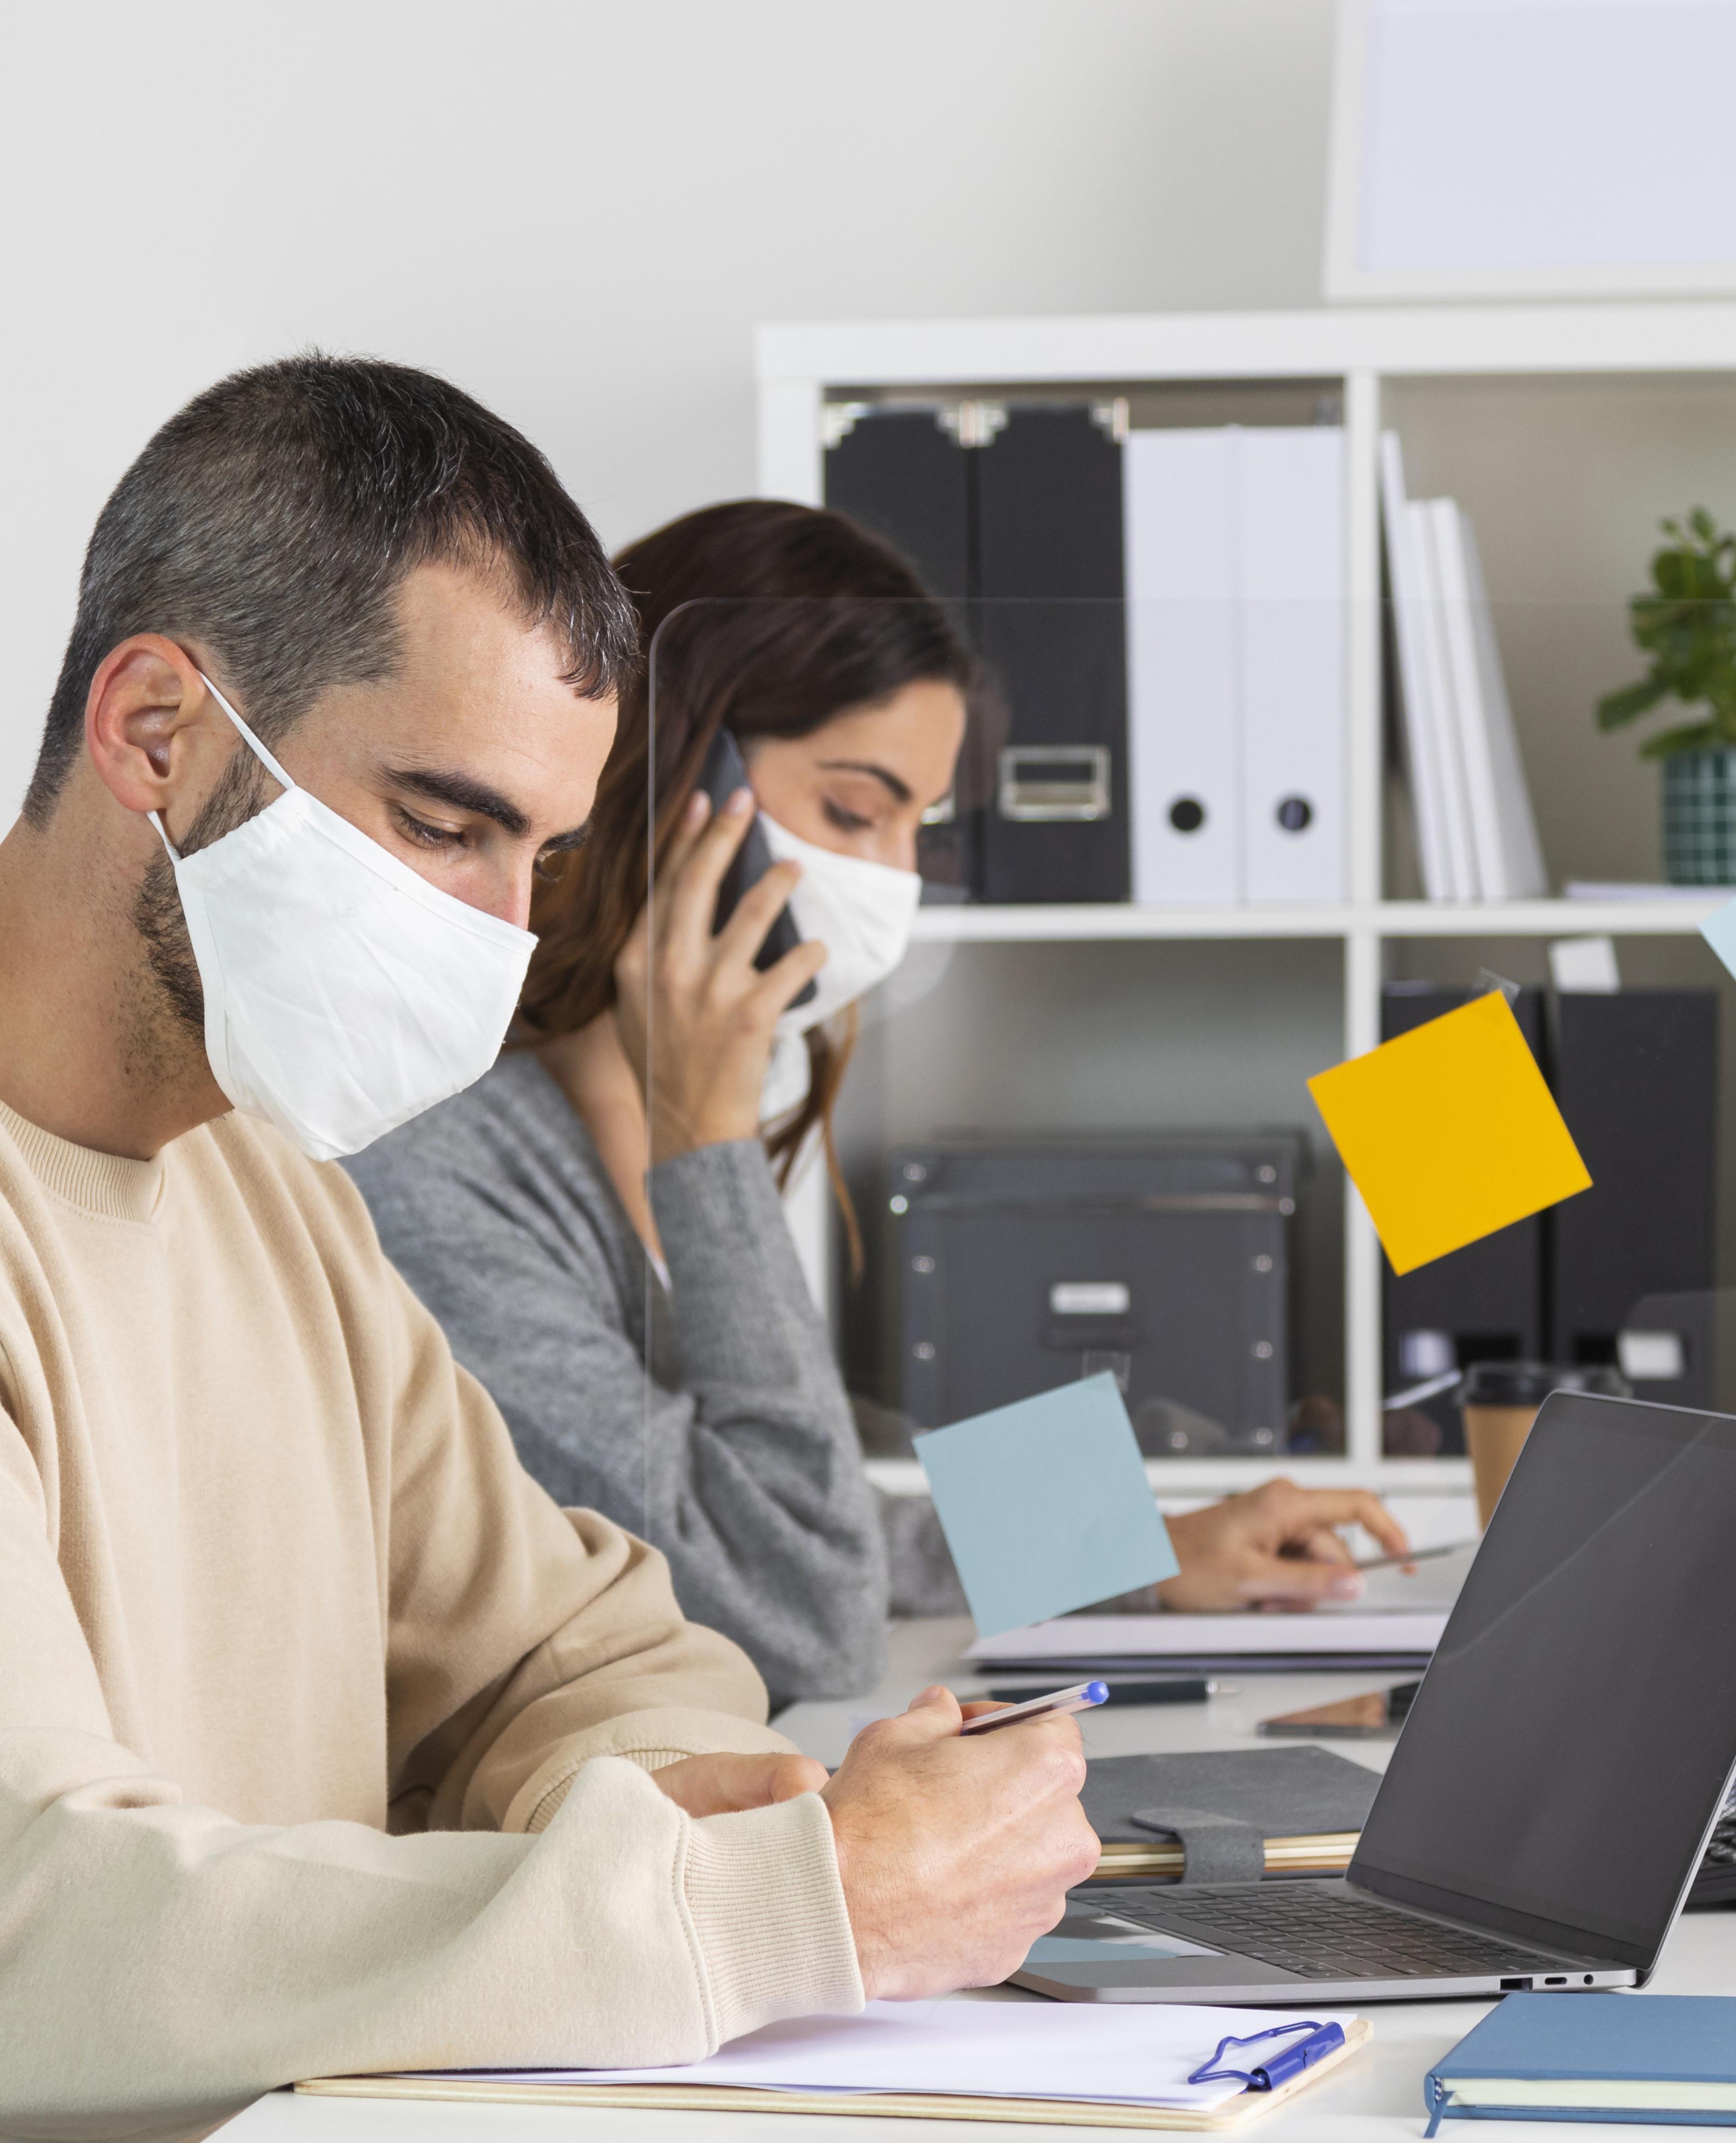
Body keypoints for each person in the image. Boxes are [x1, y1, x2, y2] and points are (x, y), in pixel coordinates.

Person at [0, 363, 1099, 2143]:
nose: (495, 934)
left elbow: (623, 1631)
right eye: (442, 824)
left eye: (541, 853)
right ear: (155, 730)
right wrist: (757, 1898)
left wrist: (1143, 1514)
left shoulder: (273, 1168)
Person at [345, 501, 1412, 1705]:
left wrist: (1142, 1549)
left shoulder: (628, 1122)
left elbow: (811, 1515)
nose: (895, 879)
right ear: (671, 763)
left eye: (921, 827)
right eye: (856, 809)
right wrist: (710, 1145)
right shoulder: (439, 1170)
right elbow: (806, 1611)